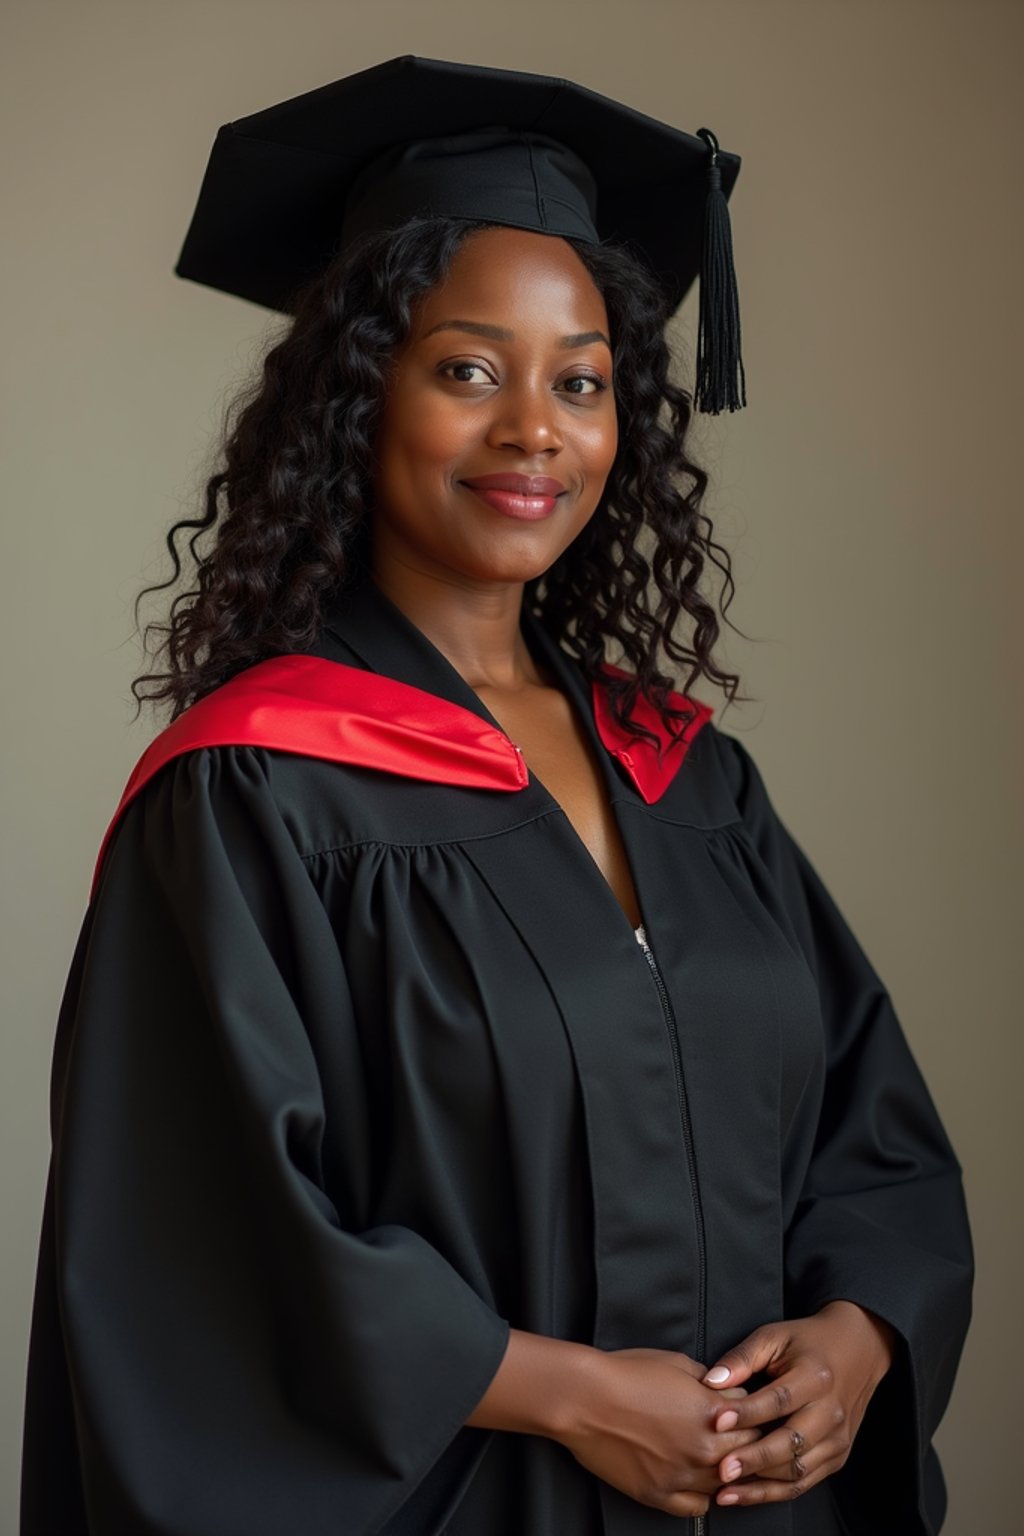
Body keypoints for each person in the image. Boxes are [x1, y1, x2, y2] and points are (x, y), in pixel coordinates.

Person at [20, 56, 972, 1536]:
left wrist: (862, 1343)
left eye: (581, 379)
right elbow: (197, 1241)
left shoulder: (694, 778)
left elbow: (873, 1134)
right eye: (469, 368)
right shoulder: (259, 793)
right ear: (358, 395)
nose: (536, 427)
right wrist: (571, 1397)